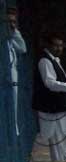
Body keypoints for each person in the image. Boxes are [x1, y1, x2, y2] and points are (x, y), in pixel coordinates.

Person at [33, 34, 66, 162]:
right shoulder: (45, 61)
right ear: (48, 45)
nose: (59, 48)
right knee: (57, 140)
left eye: (61, 45)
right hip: (53, 108)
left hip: (61, 107)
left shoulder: (54, 60)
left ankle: (64, 160)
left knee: (64, 139)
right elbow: (50, 83)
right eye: (56, 45)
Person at [5, 8, 27, 136]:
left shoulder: (10, 39)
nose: (12, 25)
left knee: (13, 109)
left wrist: (14, 32)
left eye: (14, 22)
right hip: (5, 80)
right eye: (9, 22)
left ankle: (14, 130)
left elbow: (23, 49)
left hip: (13, 80)